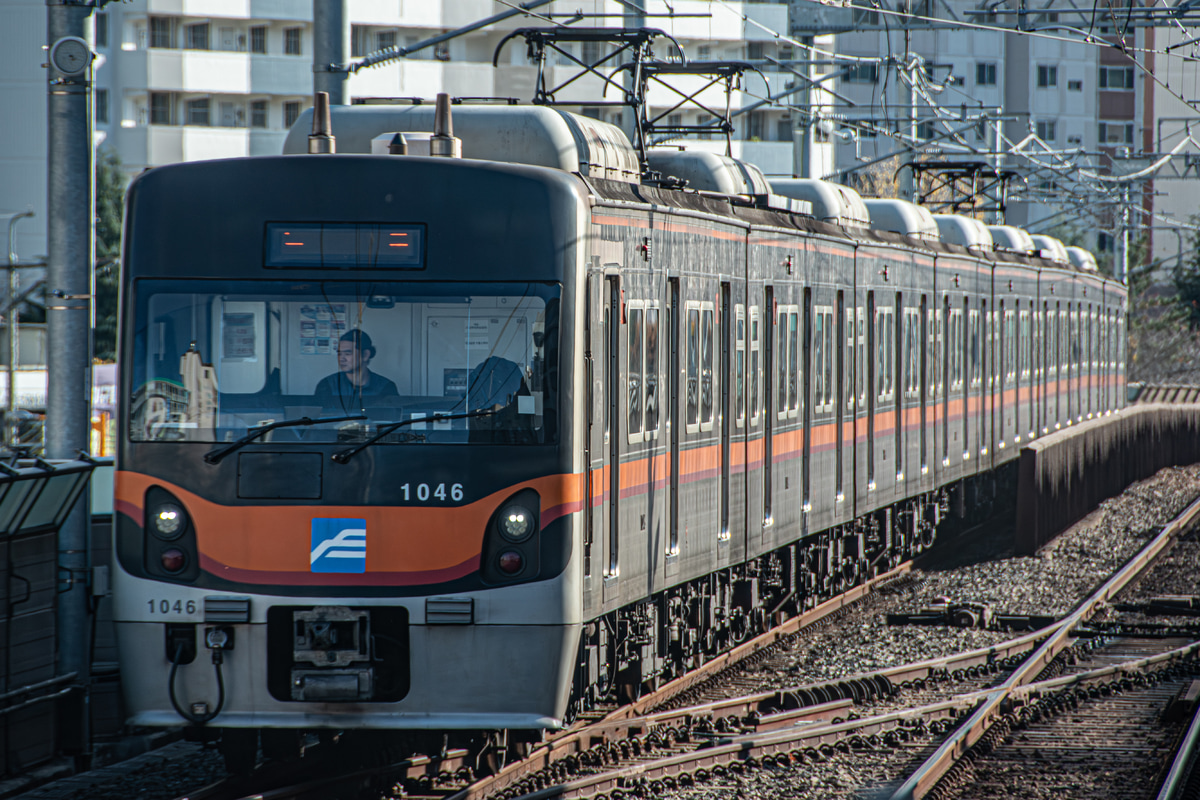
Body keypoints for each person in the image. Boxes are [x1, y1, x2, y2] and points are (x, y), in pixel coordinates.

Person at [315, 329, 399, 410]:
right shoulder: (328, 385)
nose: (341, 359)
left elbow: (391, 419)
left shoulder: (385, 387)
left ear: (365, 355)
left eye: (347, 354)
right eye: (339, 354)